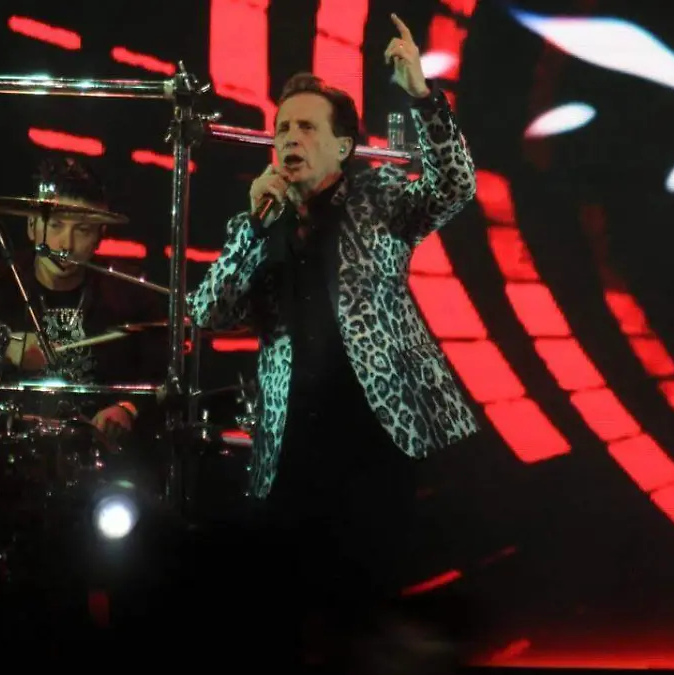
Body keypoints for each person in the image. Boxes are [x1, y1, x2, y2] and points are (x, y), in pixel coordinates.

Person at [188, 13, 479, 612]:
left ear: (343, 147)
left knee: (371, 599)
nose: (289, 138)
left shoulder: (378, 197)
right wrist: (255, 228)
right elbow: (208, 312)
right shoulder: (258, 224)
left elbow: (455, 186)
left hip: (379, 434)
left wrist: (423, 97)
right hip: (292, 443)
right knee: (293, 604)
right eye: (282, 128)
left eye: (306, 127)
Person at [0, 156, 166, 437]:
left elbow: (165, 371)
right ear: (32, 226)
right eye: (55, 225)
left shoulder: (128, 290)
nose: (66, 244)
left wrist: (127, 408)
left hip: (97, 448)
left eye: (82, 230)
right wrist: (2, 348)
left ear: (100, 235)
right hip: (8, 440)